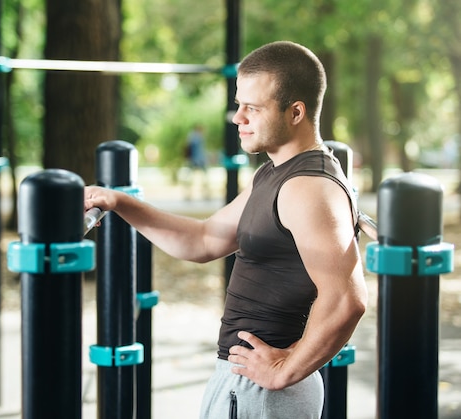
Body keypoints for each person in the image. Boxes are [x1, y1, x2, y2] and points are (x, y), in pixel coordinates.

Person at [84, 41, 368, 418]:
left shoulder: (308, 187)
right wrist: (119, 201)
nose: (238, 118)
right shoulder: (274, 173)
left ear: (296, 112)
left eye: (253, 108)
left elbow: (347, 299)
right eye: (239, 104)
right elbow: (203, 240)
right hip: (246, 382)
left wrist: (287, 368)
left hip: (264, 390)